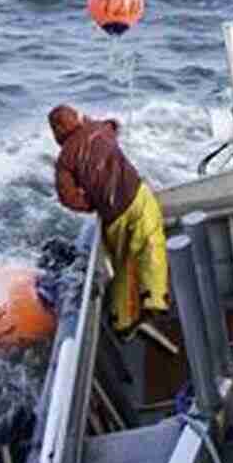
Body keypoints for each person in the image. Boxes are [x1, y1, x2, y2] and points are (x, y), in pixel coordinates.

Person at [49, 104, 169, 336]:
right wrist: (91, 122)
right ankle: (154, 298)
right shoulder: (98, 128)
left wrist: (93, 203)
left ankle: (122, 321)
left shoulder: (64, 161)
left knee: (124, 264)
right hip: (136, 196)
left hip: (112, 216)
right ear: (75, 118)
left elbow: (68, 198)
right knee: (151, 242)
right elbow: (114, 125)